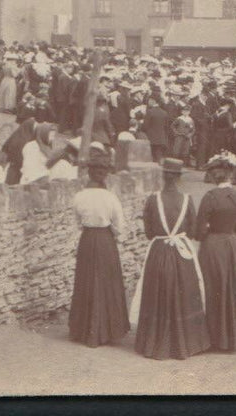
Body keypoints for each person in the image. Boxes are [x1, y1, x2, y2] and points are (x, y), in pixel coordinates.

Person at [130, 158, 211, 360]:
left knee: (157, 293)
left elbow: (149, 233)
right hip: (181, 254)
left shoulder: (152, 199)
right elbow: (192, 231)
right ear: (178, 177)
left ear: (163, 175)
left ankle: (154, 343)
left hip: (158, 252)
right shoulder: (187, 199)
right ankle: (184, 344)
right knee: (183, 293)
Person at [194, 151, 236, 351]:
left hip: (212, 246)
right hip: (233, 244)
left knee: (212, 287)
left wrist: (206, 234)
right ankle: (234, 336)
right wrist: (230, 234)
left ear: (215, 176)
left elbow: (198, 229)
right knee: (234, 287)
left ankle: (213, 336)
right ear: (231, 174)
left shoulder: (210, 197)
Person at [69, 147, 130, 347]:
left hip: (87, 240)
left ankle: (84, 330)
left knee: (87, 281)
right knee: (106, 283)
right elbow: (120, 226)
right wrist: (110, 230)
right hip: (105, 241)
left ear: (89, 174)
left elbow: (77, 222)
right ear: (105, 176)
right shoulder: (110, 198)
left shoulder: (79, 197)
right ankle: (108, 330)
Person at [142, 97, 171, 164]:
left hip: (151, 137)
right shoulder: (164, 113)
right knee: (158, 156)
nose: (148, 102)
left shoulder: (150, 112)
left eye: (149, 100)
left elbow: (145, 126)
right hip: (161, 137)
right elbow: (166, 126)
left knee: (151, 156)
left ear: (153, 101)